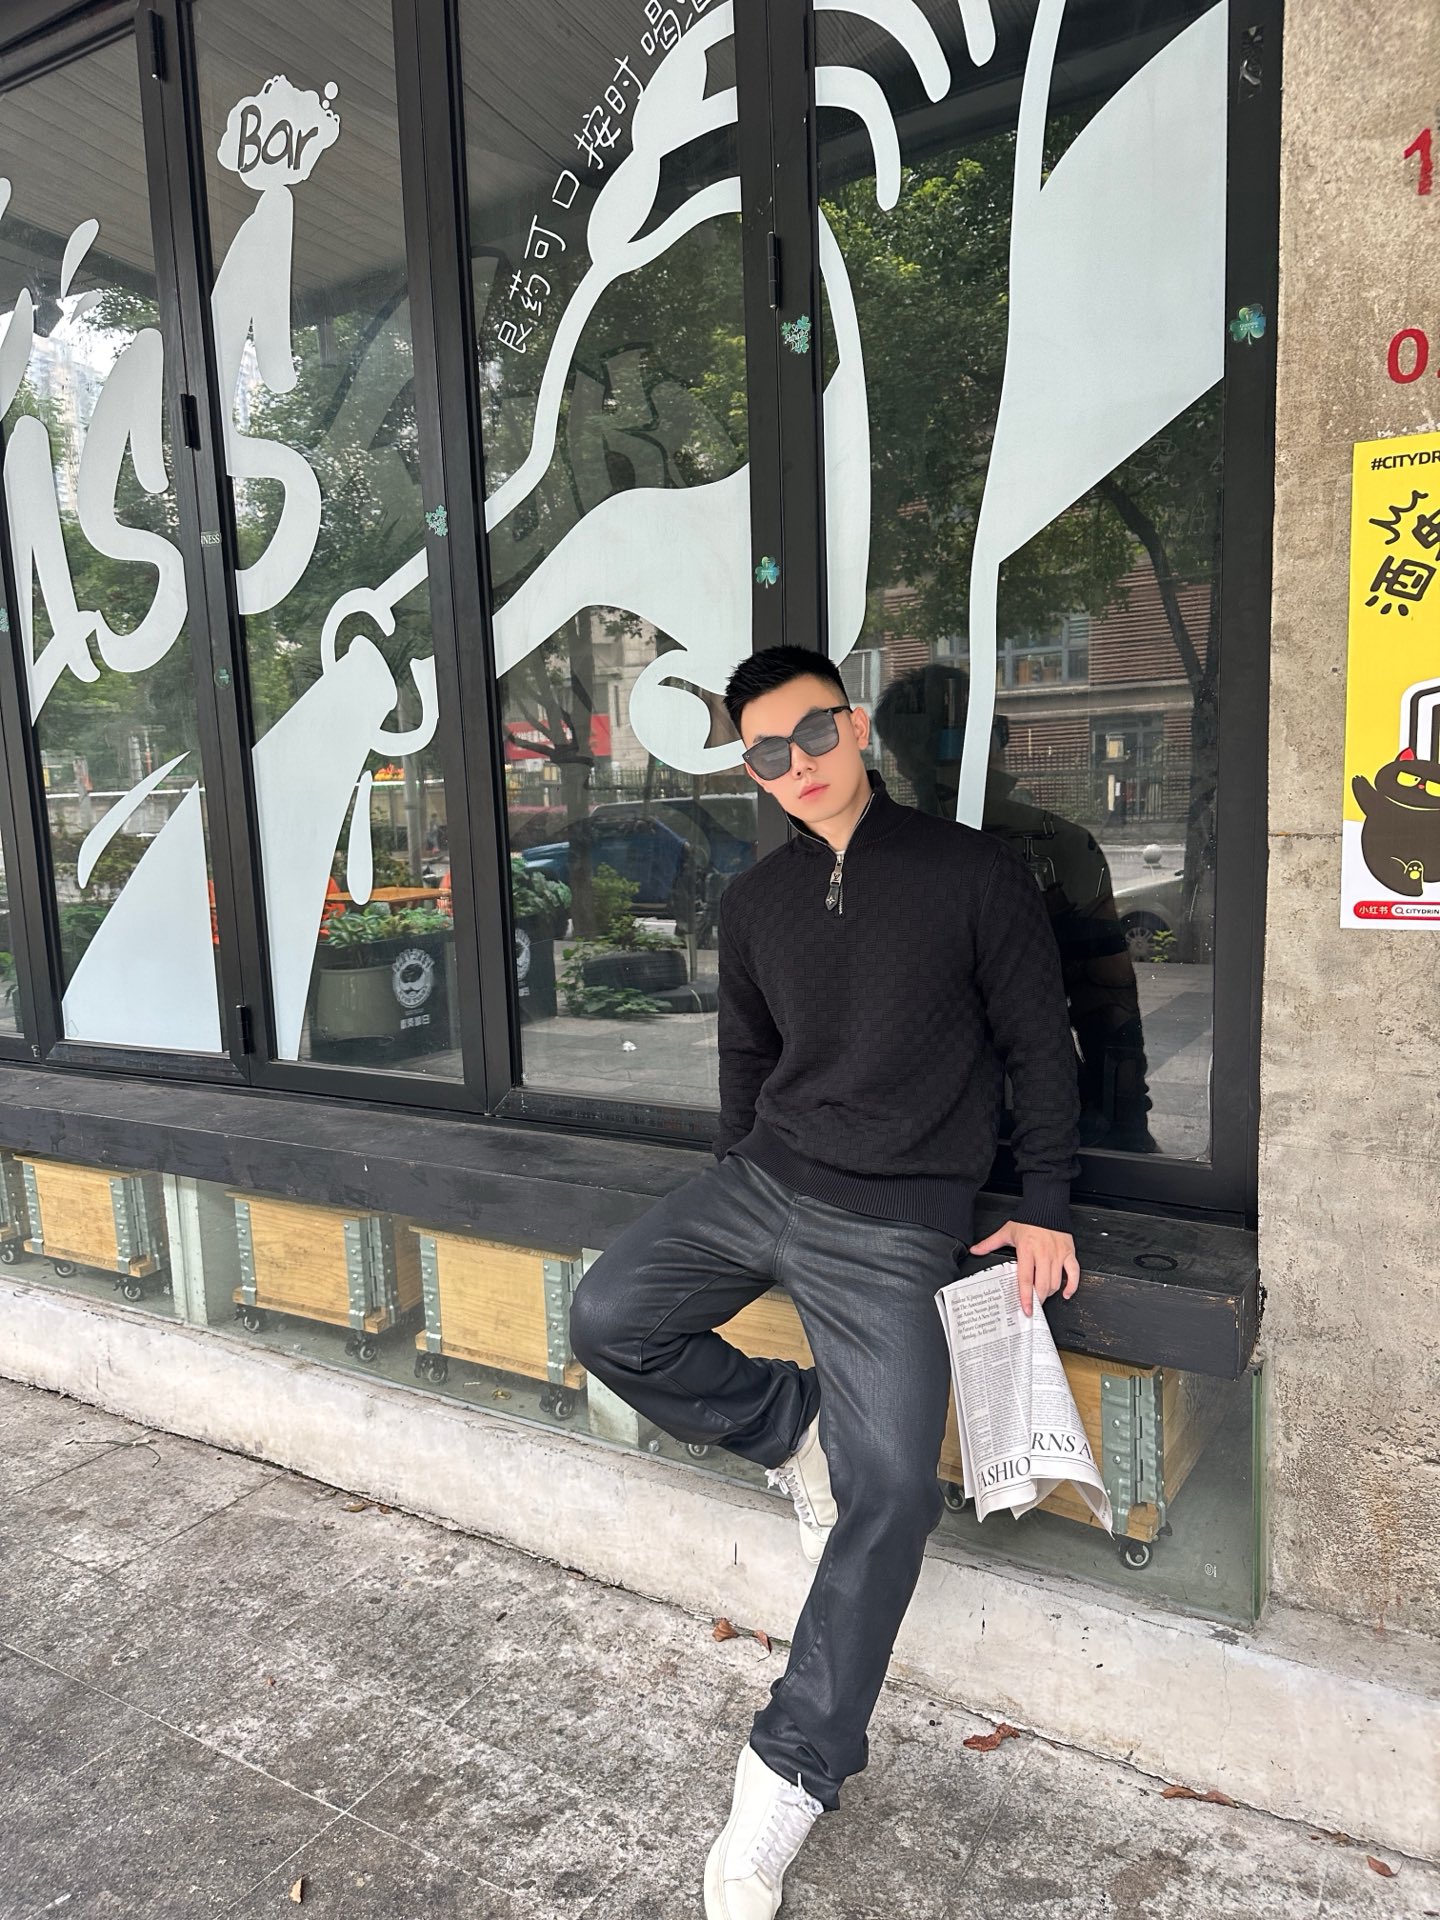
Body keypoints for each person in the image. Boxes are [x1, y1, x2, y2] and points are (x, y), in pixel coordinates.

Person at [569, 645, 1081, 1918]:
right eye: (764, 753)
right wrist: (736, 1188)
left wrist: (1044, 1205)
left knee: (895, 1488)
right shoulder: (755, 903)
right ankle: (796, 1427)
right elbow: (747, 1067)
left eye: (809, 736)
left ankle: (790, 1773)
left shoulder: (971, 873)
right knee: (610, 1317)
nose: (793, 766)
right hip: (767, 1181)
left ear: (852, 728)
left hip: (900, 1218)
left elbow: (1040, 1047)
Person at [872, 662, 1156, 1152]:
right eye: (995, 728)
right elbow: (1108, 1004)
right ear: (988, 740)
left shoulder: (871, 856)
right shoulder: (1061, 845)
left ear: (897, 760)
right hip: (1030, 1116)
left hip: (912, 1126)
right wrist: (1128, 1125)